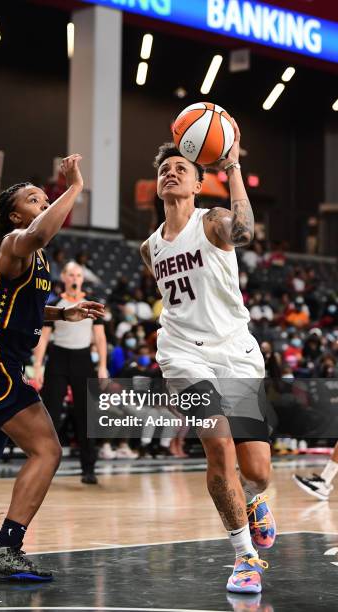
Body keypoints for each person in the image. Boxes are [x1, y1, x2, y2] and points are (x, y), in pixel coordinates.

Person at [0, 154, 104, 582]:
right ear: (16, 214)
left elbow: (27, 306)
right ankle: (5, 549)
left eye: (44, 198)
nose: (43, 203)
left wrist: (64, 313)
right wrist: (73, 188)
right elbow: (38, 232)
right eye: (35, 199)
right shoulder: (16, 242)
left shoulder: (36, 260)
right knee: (48, 450)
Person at [140, 123, 274, 594]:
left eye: (182, 168)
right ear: (158, 184)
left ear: (199, 184)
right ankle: (245, 558)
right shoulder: (150, 247)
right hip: (181, 355)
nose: (171, 173)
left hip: (235, 350)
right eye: (165, 169)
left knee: (257, 470)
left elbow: (245, 230)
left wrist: (232, 164)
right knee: (218, 447)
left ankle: (254, 501)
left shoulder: (213, 220)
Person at [34, 261, 108, 484]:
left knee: (86, 415)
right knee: (51, 413)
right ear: (64, 277)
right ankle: (44, 466)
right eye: (71, 274)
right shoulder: (55, 303)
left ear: (82, 278)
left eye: (78, 274)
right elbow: (44, 337)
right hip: (58, 358)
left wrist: (102, 365)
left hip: (82, 358)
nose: (74, 278)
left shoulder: (93, 303)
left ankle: (89, 468)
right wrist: (38, 365)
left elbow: (101, 336)